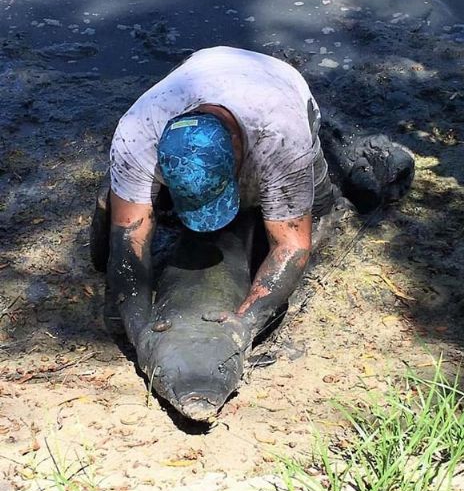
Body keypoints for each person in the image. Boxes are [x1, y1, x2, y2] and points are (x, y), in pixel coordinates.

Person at [100, 46, 330, 339]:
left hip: (279, 86)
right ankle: (138, 190)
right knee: (129, 208)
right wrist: (138, 327)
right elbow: (127, 237)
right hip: (199, 70)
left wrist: (246, 323)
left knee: (321, 206)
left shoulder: (282, 138)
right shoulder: (136, 134)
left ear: (237, 149)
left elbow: (293, 245)